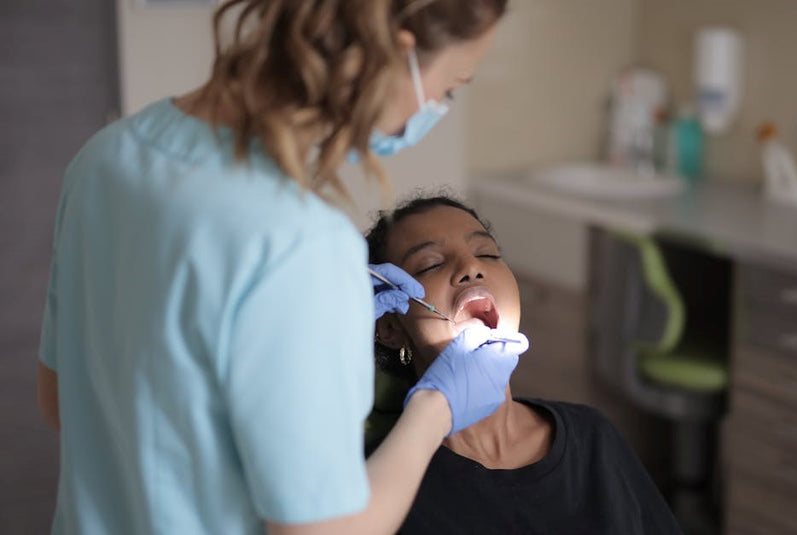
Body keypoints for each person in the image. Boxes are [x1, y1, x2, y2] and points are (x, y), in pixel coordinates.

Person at [34, 1, 528, 534]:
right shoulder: (301, 244)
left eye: (488, 252)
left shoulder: (106, 158)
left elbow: (63, 405)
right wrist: (436, 407)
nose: (435, 109)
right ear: (396, 54)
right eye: (448, 89)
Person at [365, 195, 684, 535]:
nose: (473, 268)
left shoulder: (592, 435)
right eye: (430, 264)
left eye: (487, 254)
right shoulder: (373, 480)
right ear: (389, 326)